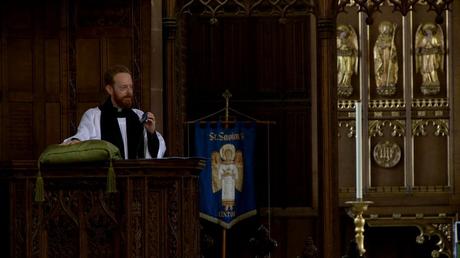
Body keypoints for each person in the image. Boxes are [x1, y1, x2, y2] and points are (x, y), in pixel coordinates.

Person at [62, 65, 166, 159]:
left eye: (131, 87)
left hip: (136, 178)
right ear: (109, 89)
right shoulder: (94, 115)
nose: (129, 92)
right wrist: (74, 142)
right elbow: (81, 138)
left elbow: (156, 153)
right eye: (124, 87)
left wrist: (151, 133)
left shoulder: (139, 116)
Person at [415, 22, 444, 95]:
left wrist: (439, 47)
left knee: (432, 68)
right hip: (425, 56)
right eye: (427, 31)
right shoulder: (424, 38)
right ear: (426, 32)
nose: (429, 32)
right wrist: (419, 48)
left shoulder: (434, 38)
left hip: (432, 56)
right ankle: (426, 81)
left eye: (430, 31)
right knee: (425, 68)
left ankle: (433, 81)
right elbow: (420, 45)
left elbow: (437, 45)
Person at [373, 21, 398, 96]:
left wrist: (393, 51)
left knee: (390, 69)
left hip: (389, 57)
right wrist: (382, 47)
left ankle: (390, 83)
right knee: (383, 69)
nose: (387, 31)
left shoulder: (391, 39)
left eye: (388, 29)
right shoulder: (379, 39)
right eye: (385, 29)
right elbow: (376, 48)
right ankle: (382, 83)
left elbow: (393, 49)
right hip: (381, 58)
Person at [337, 24, 358, 97]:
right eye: (342, 33)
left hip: (348, 57)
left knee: (348, 71)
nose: (344, 34)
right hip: (341, 58)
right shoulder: (338, 40)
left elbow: (354, 48)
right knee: (341, 71)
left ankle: (346, 84)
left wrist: (355, 51)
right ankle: (340, 84)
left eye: (345, 33)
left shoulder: (349, 40)